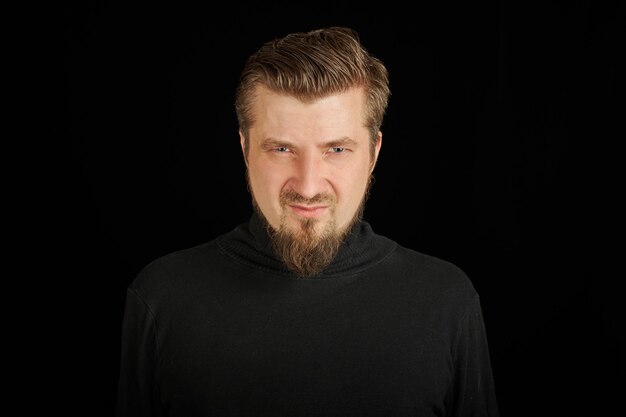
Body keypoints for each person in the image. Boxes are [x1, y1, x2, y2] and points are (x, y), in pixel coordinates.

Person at [116, 26, 499, 416]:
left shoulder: (447, 302)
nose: (309, 185)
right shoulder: (160, 300)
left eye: (336, 149)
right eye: (282, 148)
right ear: (245, 148)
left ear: (373, 153)